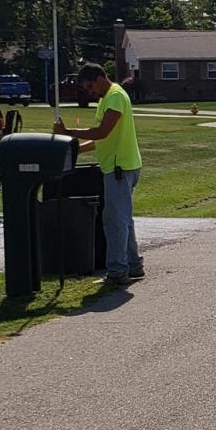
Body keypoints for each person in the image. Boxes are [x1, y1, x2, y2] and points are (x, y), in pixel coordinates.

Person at [53, 64, 143, 284]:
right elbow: (101, 139)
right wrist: (73, 149)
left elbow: (102, 132)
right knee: (123, 218)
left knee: (114, 220)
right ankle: (133, 265)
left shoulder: (114, 96)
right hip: (121, 165)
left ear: (100, 78)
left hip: (119, 167)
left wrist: (68, 133)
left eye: (90, 86)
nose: (90, 92)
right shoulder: (105, 100)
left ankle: (117, 271)